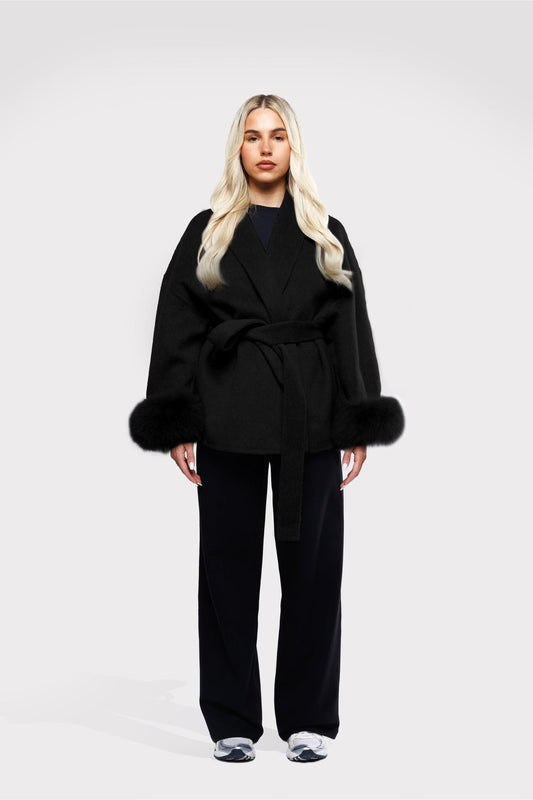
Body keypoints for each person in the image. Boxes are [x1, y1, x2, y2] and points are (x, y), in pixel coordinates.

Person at [128, 94, 405, 763]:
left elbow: (350, 325)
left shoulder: (324, 231)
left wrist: (356, 417)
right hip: (228, 410)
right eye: (252, 136)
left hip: (310, 415)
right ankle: (231, 719)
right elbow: (177, 325)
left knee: (313, 571)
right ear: (238, 148)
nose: (265, 147)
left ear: (292, 147)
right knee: (227, 569)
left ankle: (308, 719)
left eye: (277, 135)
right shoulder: (208, 231)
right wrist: (177, 419)